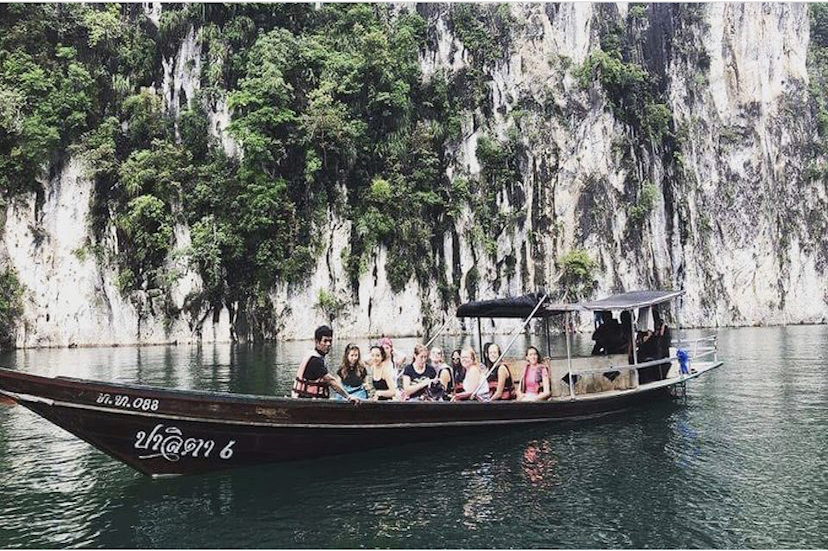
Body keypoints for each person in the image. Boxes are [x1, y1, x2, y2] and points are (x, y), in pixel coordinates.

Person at [292, 325, 359, 402]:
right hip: (307, 401)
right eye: (325, 341)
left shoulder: (313, 355)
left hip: (304, 399)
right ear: (317, 342)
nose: (328, 344)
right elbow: (331, 381)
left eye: (330, 341)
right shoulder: (315, 360)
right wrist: (348, 397)